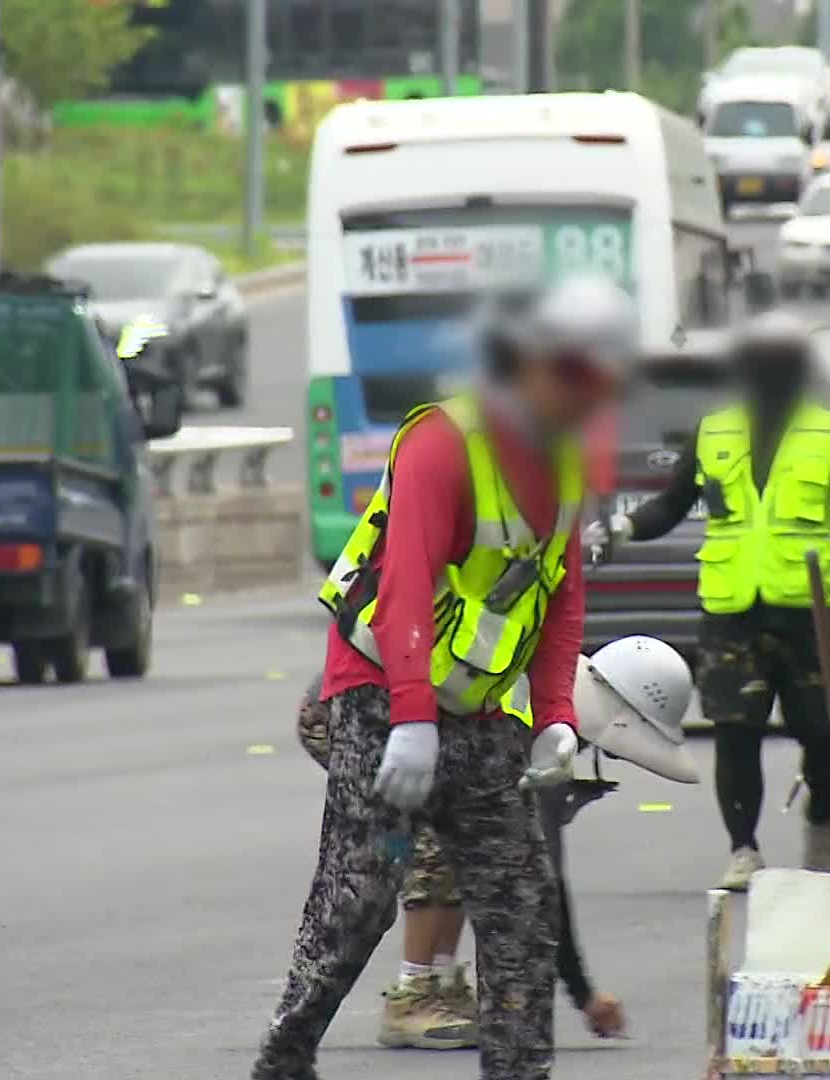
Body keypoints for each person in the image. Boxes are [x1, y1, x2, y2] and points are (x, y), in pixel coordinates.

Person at [253, 273, 636, 1080]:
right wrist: (413, 719)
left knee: (521, 914)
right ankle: (285, 1058)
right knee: (356, 904)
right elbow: (403, 588)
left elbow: (560, 595)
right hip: (378, 695)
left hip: (485, 712)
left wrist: (556, 713)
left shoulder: (565, 462)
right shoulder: (444, 443)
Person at [584, 309, 830, 891]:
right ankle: (743, 849)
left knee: (824, 734)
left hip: (809, 611)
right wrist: (621, 528)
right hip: (732, 611)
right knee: (735, 731)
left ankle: (820, 816)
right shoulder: (712, 431)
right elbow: (671, 505)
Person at [294, 636, 700, 1050]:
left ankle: (442, 982)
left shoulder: (555, 694)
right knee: (449, 840)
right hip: (344, 714)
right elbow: (544, 879)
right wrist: (585, 995)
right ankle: (414, 995)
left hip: (393, 714)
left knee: (468, 837)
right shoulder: (533, 719)